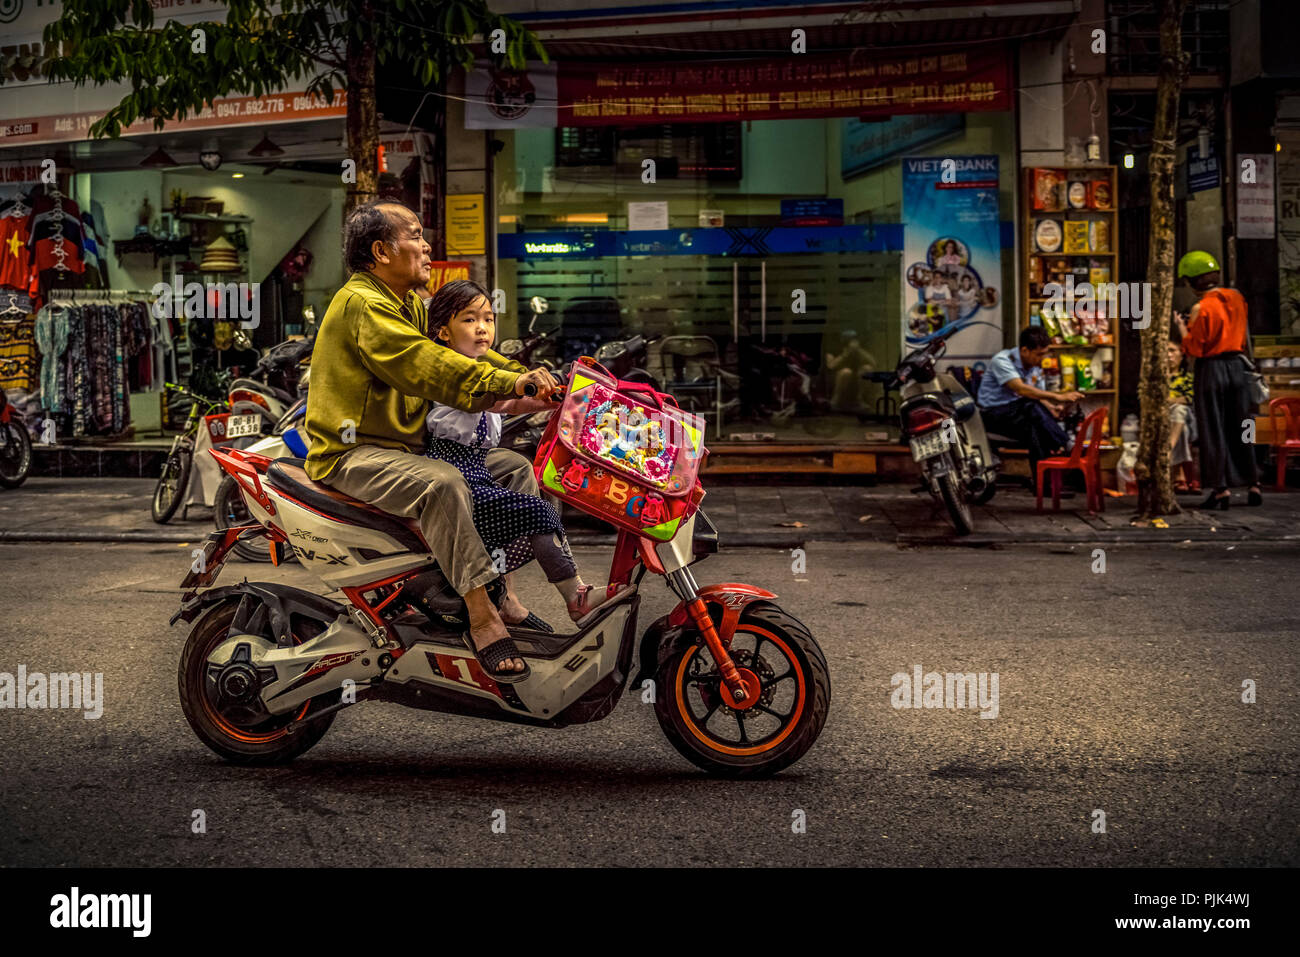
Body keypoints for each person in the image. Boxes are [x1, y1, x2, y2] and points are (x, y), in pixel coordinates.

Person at [304, 199, 559, 679]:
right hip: (351, 455)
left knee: (513, 467)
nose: (426, 247)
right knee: (443, 483)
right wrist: (510, 386)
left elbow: (462, 352)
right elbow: (427, 364)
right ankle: (481, 618)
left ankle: (502, 593)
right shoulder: (365, 305)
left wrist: (531, 379)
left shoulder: (408, 306)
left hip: (402, 450)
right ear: (382, 250)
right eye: (416, 236)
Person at [422, 279, 628, 680]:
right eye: (469, 319)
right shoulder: (448, 369)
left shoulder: (488, 366)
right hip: (456, 469)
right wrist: (528, 388)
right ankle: (576, 598)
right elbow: (492, 395)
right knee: (535, 511)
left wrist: (560, 396)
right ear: (443, 332)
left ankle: (513, 601)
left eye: (488, 318)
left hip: (477, 465)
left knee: (526, 482)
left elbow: (512, 397)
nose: (483, 327)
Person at [1173, 251, 1262, 509]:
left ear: (1191, 281)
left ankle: (1220, 489)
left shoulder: (1200, 308)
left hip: (1211, 369)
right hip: (1238, 366)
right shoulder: (1237, 298)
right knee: (1243, 425)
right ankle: (1254, 482)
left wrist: (1182, 328)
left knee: (1213, 429)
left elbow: (1195, 348)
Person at [976, 325, 1084, 471]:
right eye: (1039, 354)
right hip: (992, 414)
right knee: (1029, 405)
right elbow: (1021, 389)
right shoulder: (1002, 360)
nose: (1043, 358)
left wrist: (1051, 408)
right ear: (1025, 350)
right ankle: (1065, 443)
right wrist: (1058, 397)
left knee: (1035, 430)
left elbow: (1037, 394)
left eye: (1045, 353)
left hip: (1016, 415)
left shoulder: (1035, 366)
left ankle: (1043, 486)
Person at [1166, 336, 1199, 493]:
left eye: (1172, 350)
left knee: (1180, 409)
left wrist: (1171, 400)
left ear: (1181, 354)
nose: (1169, 355)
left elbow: (1190, 398)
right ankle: (1184, 477)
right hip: (1167, 421)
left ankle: (1169, 447)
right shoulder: (1157, 379)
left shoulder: (1187, 378)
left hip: (1188, 418)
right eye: (1165, 351)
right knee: (1182, 431)